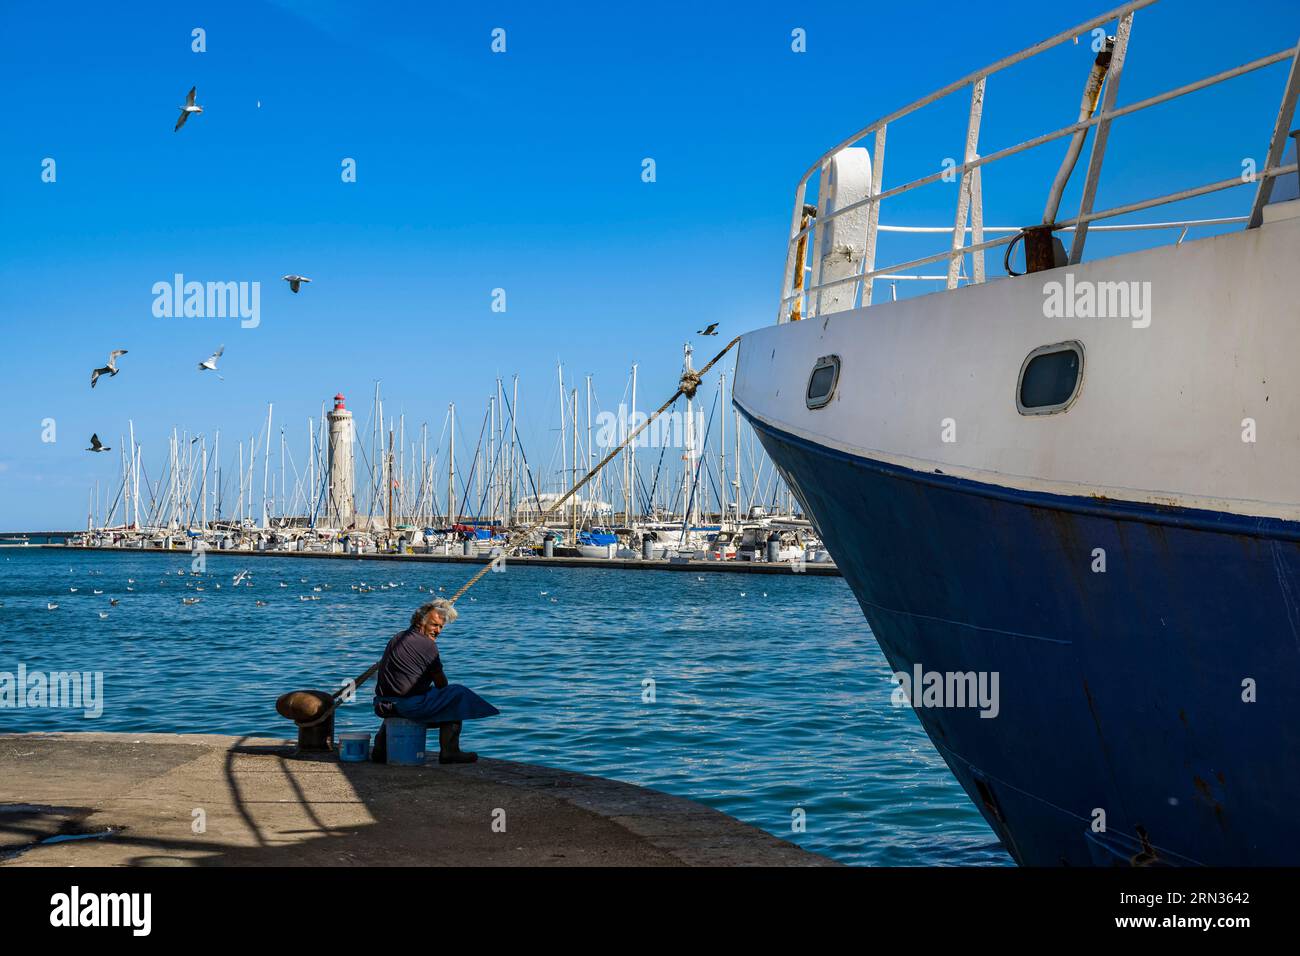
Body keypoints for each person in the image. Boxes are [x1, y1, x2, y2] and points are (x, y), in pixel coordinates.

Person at [370, 599, 499, 764]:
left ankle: (381, 747)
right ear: (420, 622)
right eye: (434, 625)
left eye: (441, 627)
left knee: (403, 700)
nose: (438, 630)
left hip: (382, 705)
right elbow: (441, 684)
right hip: (406, 706)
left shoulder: (397, 638)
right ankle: (450, 751)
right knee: (455, 695)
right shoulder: (428, 646)